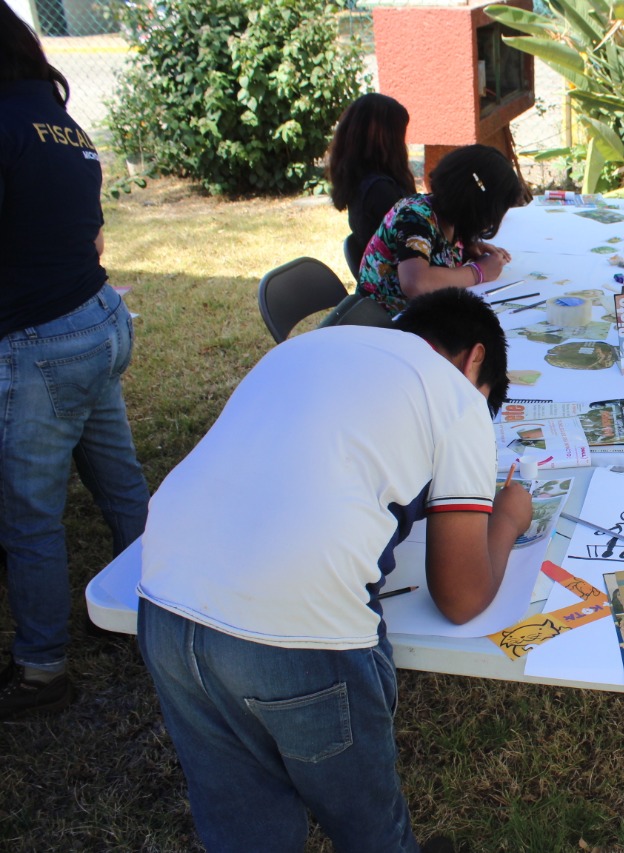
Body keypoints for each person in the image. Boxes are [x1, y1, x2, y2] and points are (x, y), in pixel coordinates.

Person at [136, 288, 533, 851]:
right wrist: (508, 519)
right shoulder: (458, 397)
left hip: (164, 601)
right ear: (475, 361)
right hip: (299, 635)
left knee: (245, 829)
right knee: (370, 831)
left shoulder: (305, 348)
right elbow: (462, 597)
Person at [0, 7, 151, 720]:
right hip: (97, 320)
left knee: (29, 516)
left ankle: (42, 670)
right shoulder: (56, 121)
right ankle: (159, 609)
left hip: (39, 341)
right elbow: (91, 235)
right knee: (120, 484)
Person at [357, 144, 527, 316]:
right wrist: (479, 272)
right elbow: (416, 283)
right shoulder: (415, 216)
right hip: (383, 321)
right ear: (478, 205)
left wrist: (468, 247)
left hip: (421, 314)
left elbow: (437, 249)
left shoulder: (450, 216)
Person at [326, 93, 417, 276]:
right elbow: (417, 243)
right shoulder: (379, 191)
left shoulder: (364, 182)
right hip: (402, 284)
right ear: (387, 139)